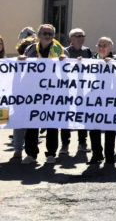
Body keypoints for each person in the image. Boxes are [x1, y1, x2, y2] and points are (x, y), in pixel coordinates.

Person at [20, 24, 64, 165]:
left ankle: (51, 154)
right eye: (45, 33)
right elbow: (23, 68)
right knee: (32, 124)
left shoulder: (60, 50)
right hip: (34, 93)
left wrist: (65, 61)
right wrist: (21, 61)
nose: (47, 36)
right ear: (39, 35)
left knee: (52, 124)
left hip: (52, 93)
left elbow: (70, 69)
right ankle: (31, 154)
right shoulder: (31, 49)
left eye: (50, 33)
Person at [61, 27, 93, 155]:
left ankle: (82, 143)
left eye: (82, 36)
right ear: (70, 39)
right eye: (77, 36)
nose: (81, 38)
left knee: (82, 117)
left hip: (83, 91)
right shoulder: (64, 52)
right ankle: (64, 145)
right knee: (66, 119)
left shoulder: (88, 51)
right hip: (67, 91)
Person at [88, 37, 116, 165]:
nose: (102, 47)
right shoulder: (90, 61)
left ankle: (109, 155)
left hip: (110, 100)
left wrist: (113, 64)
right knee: (94, 128)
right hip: (94, 100)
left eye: (105, 45)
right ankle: (96, 154)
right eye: (99, 45)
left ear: (110, 48)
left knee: (110, 129)